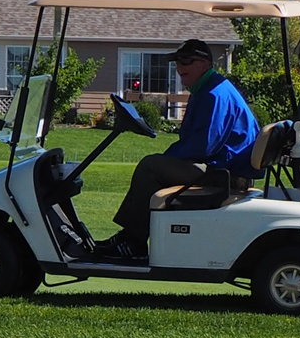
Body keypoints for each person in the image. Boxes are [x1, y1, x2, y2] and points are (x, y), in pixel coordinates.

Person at [102, 38, 259, 261]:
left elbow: (203, 146)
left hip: (222, 175)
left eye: (187, 61)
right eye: (178, 62)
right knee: (157, 165)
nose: (180, 68)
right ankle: (129, 237)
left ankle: (133, 242)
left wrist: (168, 157)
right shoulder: (206, 89)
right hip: (221, 168)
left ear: (204, 64)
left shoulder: (213, 94)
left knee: (151, 166)